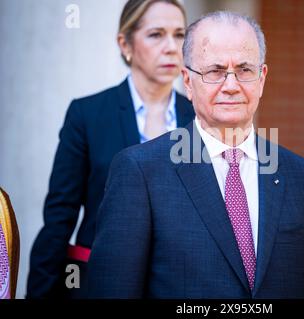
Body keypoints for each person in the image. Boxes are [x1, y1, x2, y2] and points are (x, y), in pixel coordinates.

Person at [87, 11, 304, 299]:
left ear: (262, 78)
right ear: (188, 81)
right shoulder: (140, 172)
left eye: (244, 70)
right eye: (214, 71)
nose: (231, 85)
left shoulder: (303, 178)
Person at [27, 0, 194, 298]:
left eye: (180, 34)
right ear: (125, 43)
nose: (172, 47)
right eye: (156, 34)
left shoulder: (200, 119)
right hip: (99, 285)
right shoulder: (88, 115)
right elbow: (59, 218)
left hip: (180, 287)